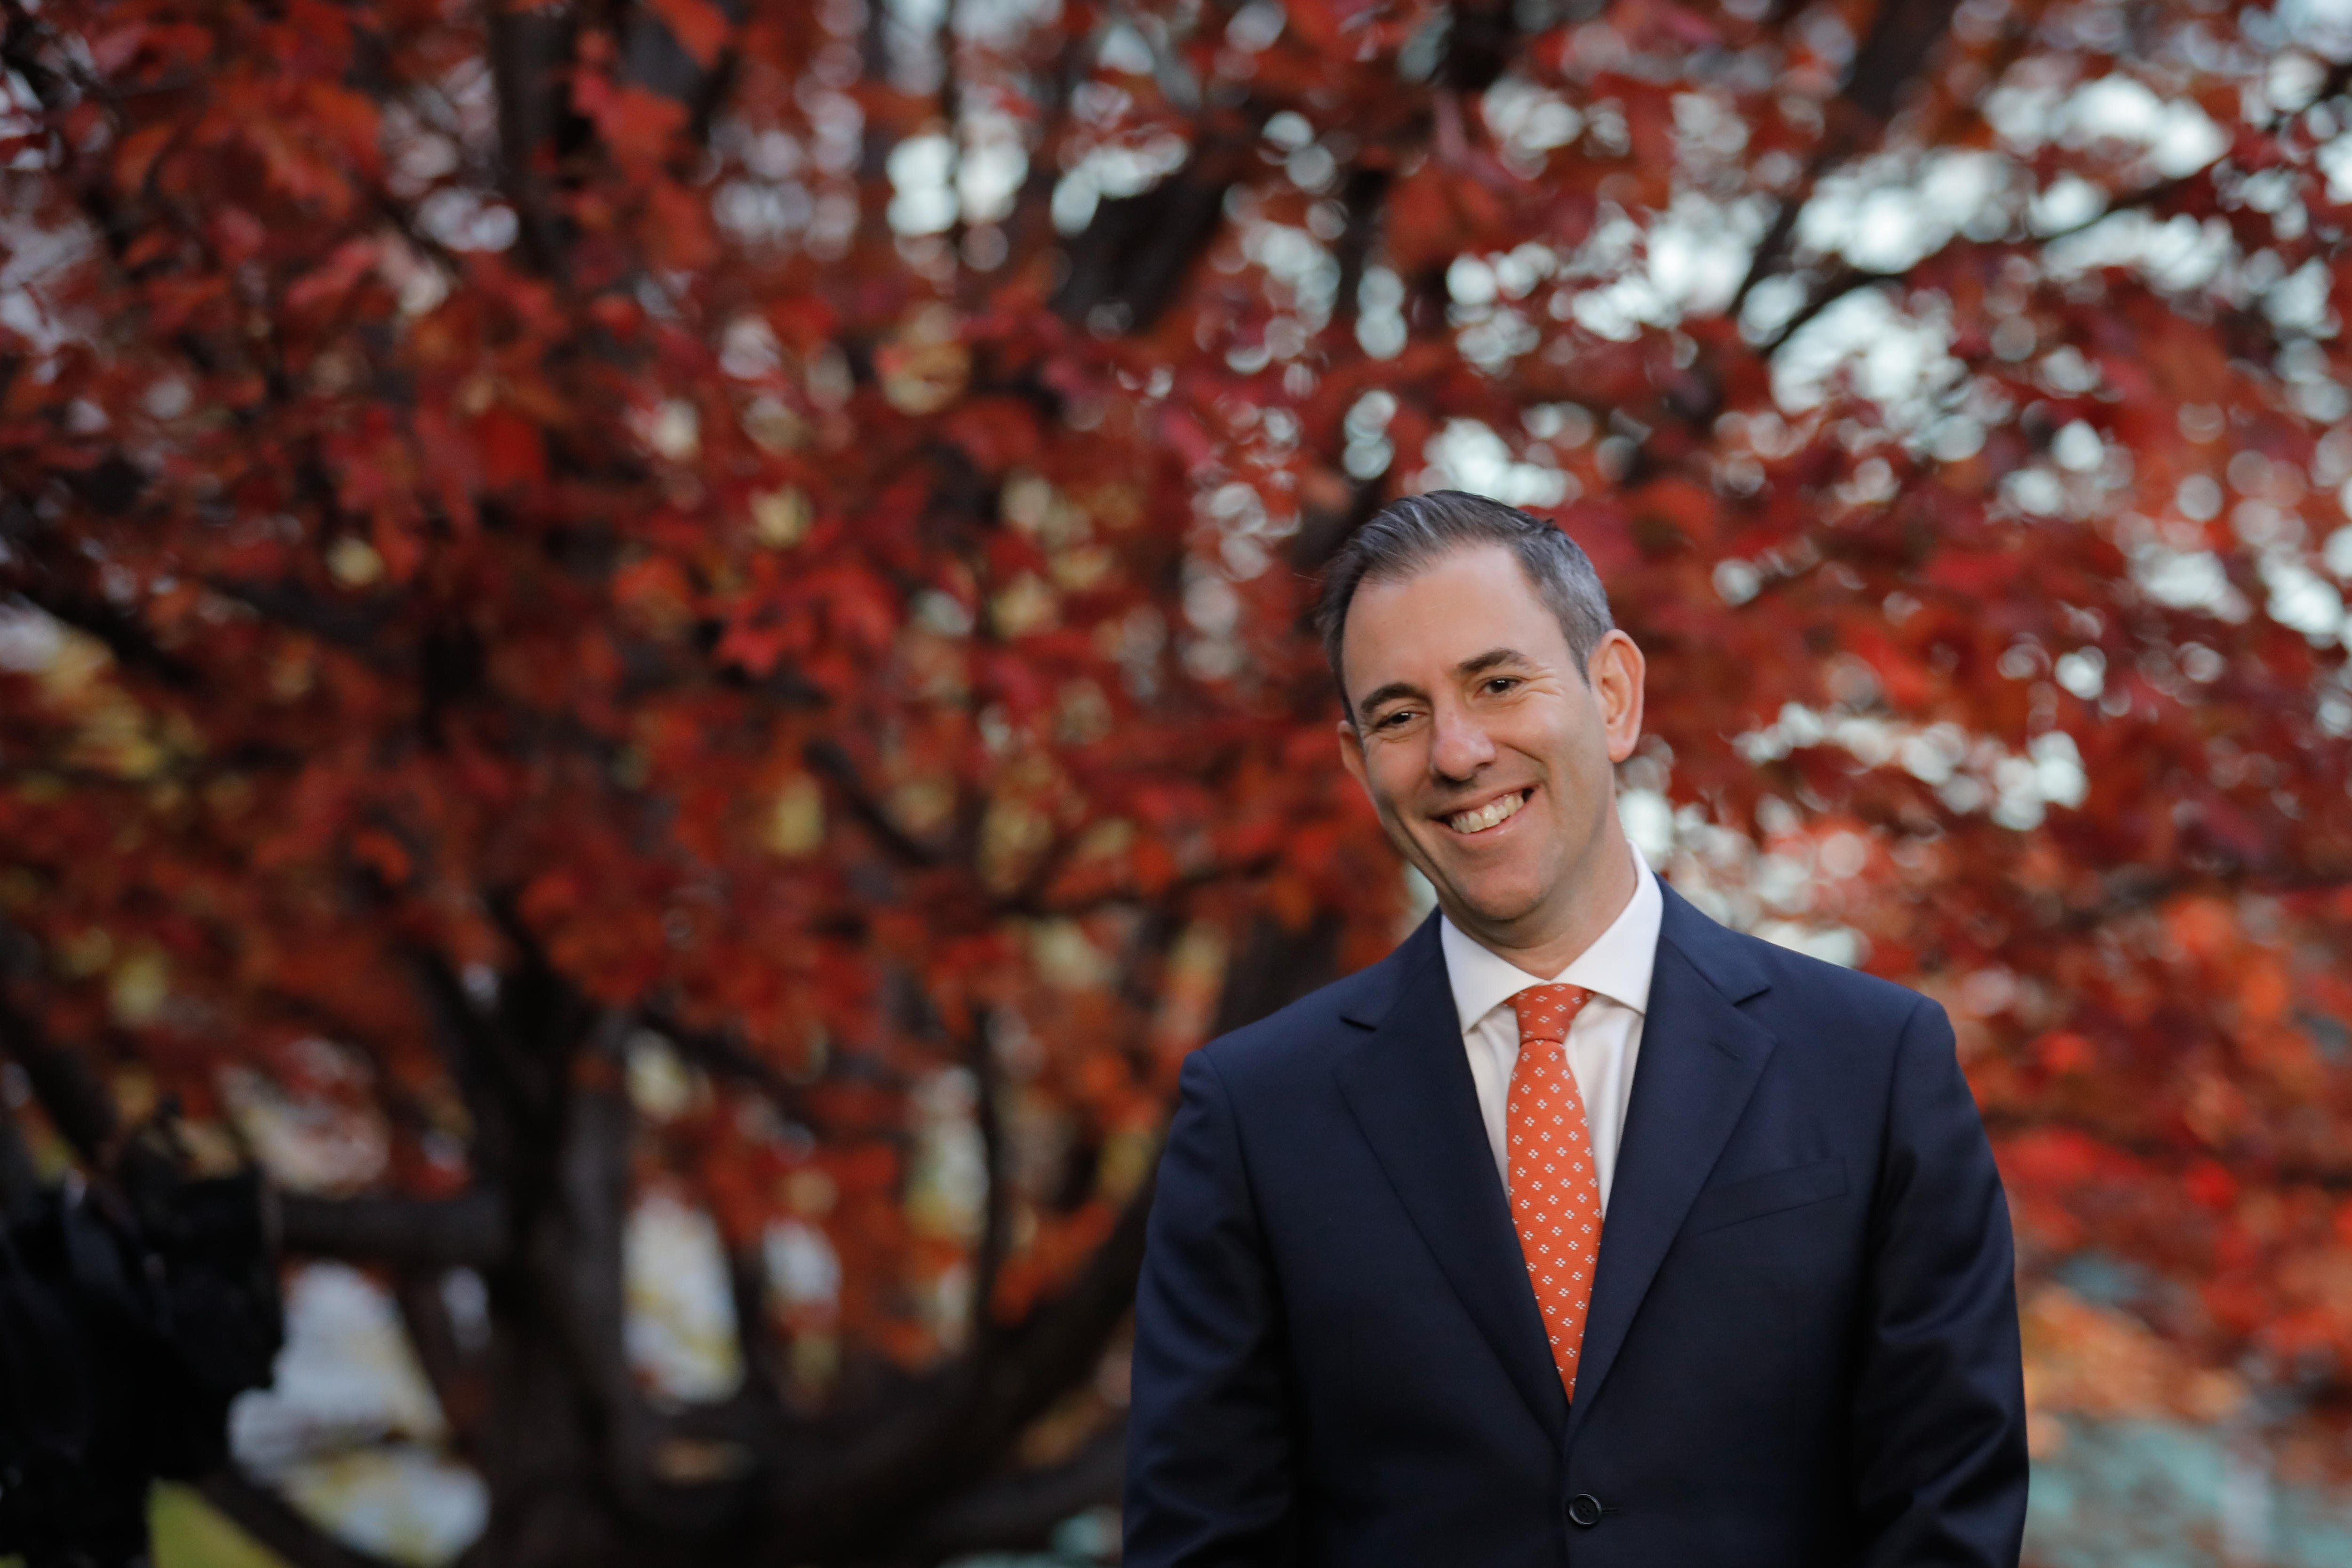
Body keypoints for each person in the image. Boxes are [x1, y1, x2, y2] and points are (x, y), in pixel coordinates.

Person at [1124, 492, 2028, 1568]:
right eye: (1399, 714)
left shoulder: (1872, 1066)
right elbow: (1202, 1541)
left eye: (1498, 683)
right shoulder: (1256, 1113)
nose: (1456, 752)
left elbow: (1948, 1516)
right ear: (1356, 758)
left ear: (1612, 693)